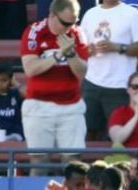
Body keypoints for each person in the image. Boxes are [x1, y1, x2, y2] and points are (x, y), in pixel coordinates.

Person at [20, 0, 88, 176]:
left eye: (73, 22)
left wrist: (71, 53)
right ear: (52, 16)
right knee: (39, 160)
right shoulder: (34, 32)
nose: (69, 27)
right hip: (39, 105)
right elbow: (31, 69)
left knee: (73, 161)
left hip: (71, 105)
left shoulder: (78, 34)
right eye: (65, 23)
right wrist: (59, 54)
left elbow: (82, 73)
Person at [80, 0, 138, 141]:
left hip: (120, 85)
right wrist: (89, 50)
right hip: (91, 82)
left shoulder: (132, 13)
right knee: (87, 133)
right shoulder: (90, 13)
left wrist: (118, 47)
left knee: (118, 138)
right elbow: (80, 47)